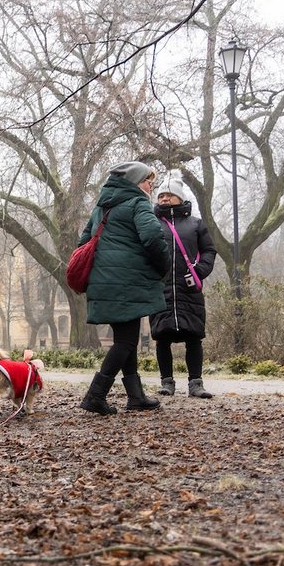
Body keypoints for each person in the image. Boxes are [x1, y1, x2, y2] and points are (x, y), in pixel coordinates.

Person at [79, 161, 169, 415]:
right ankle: (95, 395)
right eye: (149, 181)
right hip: (126, 281)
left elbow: (84, 241)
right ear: (136, 182)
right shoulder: (138, 203)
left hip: (105, 279)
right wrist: (163, 268)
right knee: (127, 340)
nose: (151, 186)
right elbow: (152, 237)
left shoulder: (102, 207)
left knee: (124, 338)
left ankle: (135, 395)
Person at [149, 181, 217, 398]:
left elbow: (209, 251)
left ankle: (196, 384)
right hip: (161, 290)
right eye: (161, 196)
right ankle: (166, 383)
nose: (164, 199)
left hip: (189, 290)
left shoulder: (195, 224)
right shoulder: (150, 224)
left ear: (180, 197)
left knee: (194, 338)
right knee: (162, 338)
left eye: (169, 194)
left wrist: (199, 272)